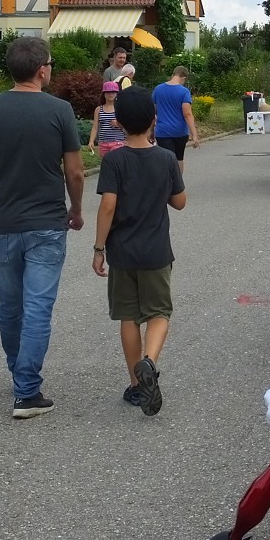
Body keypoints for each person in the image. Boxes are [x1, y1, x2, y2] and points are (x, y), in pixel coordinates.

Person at [0, 37, 84, 419]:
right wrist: (76, 209)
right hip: (46, 222)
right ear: (42, 68)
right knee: (38, 307)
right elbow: (75, 171)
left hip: (4, 224)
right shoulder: (59, 110)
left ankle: (20, 374)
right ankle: (26, 391)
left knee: (11, 306)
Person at [92, 86, 186, 416]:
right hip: (157, 252)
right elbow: (180, 202)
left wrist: (99, 248)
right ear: (154, 120)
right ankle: (151, 362)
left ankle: (136, 385)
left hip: (123, 253)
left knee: (128, 316)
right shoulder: (165, 159)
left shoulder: (114, 161)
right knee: (159, 313)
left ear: (117, 122)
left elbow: (107, 207)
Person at [152, 65, 201, 173]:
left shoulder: (158, 89)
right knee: (179, 158)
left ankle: (166, 183)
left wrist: (150, 130)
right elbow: (187, 114)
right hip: (180, 132)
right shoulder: (184, 92)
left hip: (162, 131)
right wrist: (194, 135)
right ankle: (178, 185)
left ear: (173, 74)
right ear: (183, 78)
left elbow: (153, 110)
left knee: (166, 159)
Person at [88, 80, 126, 157]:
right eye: (108, 92)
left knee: (115, 162)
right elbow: (95, 127)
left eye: (113, 92)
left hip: (118, 142)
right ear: (104, 94)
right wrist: (91, 141)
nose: (110, 94)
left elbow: (128, 125)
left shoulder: (120, 108)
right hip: (103, 143)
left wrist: (118, 124)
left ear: (116, 94)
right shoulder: (99, 109)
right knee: (106, 164)